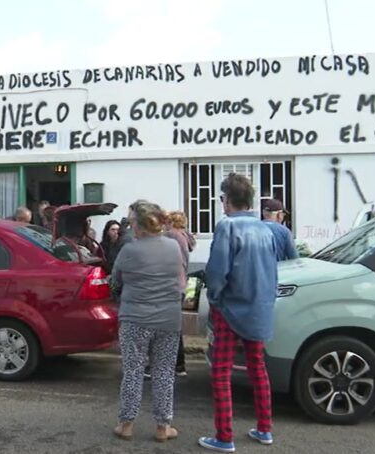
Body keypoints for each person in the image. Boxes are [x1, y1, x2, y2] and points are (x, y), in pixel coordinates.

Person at [199, 173, 278, 452]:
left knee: (221, 371)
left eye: (222, 198)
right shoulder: (266, 229)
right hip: (259, 307)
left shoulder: (227, 227)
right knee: (258, 368)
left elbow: (219, 270)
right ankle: (265, 429)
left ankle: (224, 436)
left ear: (227, 199)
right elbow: (273, 270)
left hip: (231, 308)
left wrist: (214, 296)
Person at [111, 201, 184, 443]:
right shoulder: (174, 247)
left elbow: (115, 283)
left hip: (135, 319)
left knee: (133, 370)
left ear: (140, 226)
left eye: (131, 221)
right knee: (164, 372)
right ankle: (163, 427)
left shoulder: (129, 250)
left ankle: (126, 424)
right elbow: (180, 276)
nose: (128, 225)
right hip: (169, 318)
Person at [165, 210, 197, 378]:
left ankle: (175, 364)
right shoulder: (184, 236)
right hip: (181, 285)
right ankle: (179, 364)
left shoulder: (172, 236)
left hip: (172, 286)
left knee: (170, 328)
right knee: (175, 327)